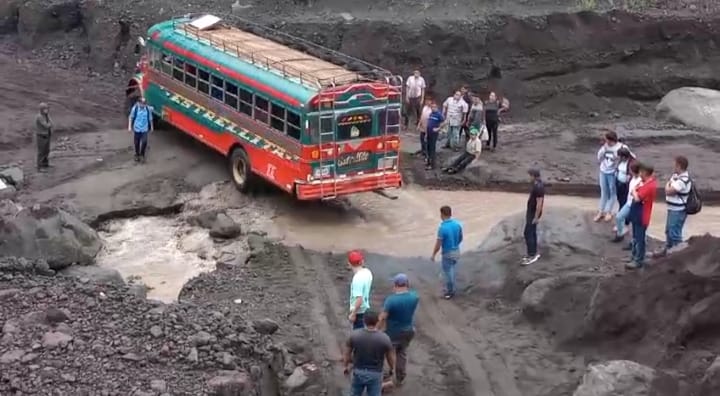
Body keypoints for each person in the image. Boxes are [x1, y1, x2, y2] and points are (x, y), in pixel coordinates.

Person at [378, 273, 419, 387]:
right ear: (407, 284)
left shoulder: (391, 300)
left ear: (395, 285)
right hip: (408, 331)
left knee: (387, 352)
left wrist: (376, 329)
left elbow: (383, 317)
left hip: (393, 332)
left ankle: (388, 372)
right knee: (402, 353)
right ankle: (400, 377)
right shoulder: (414, 297)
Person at [343, 310, 396, 396]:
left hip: (358, 372)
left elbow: (347, 354)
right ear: (377, 321)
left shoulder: (354, 335)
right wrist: (391, 368)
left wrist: (345, 366)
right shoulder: (384, 338)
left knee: (355, 393)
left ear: (364, 320)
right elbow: (390, 357)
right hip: (376, 374)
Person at [656, 155, 692, 257]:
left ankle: (678, 255)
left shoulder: (683, 180)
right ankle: (667, 250)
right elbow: (669, 187)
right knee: (668, 231)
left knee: (675, 233)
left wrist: (668, 185)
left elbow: (668, 191)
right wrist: (669, 184)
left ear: (679, 166)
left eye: (675, 164)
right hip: (672, 209)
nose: (673, 166)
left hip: (678, 210)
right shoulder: (676, 176)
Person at [595, 131, 631, 222]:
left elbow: (630, 157)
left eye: (606, 140)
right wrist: (603, 150)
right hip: (603, 171)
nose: (605, 142)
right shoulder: (604, 147)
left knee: (612, 192)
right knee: (604, 191)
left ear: (611, 140)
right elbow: (599, 158)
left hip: (613, 172)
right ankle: (601, 211)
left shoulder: (622, 147)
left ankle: (609, 211)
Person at [626, 163, 657, 269]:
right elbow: (634, 194)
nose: (639, 174)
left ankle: (638, 260)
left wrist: (634, 191)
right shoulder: (644, 183)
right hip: (637, 213)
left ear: (645, 172)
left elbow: (637, 197)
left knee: (640, 238)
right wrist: (635, 192)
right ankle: (634, 256)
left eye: (641, 172)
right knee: (635, 237)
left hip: (642, 215)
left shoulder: (649, 185)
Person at [431, 205, 463, 299]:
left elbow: (438, 244)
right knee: (451, 269)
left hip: (447, 253)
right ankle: (450, 287)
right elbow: (461, 238)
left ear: (442, 214)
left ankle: (450, 292)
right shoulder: (457, 224)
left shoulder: (442, 228)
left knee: (448, 273)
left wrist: (433, 254)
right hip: (457, 251)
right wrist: (455, 245)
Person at [612, 161, 641, 243]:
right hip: (629, 203)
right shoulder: (632, 178)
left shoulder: (640, 181)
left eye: (630, 170)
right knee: (619, 217)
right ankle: (620, 234)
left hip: (635, 205)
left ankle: (634, 242)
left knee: (635, 224)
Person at [522, 168, 545, 265]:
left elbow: (539, 203)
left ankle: (531, 255)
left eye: (529, 176)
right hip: (531, 212)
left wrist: (536, 217)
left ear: (533, 176)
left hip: (533, 213)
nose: (528, 178)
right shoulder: (537, 185)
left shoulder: (538, 187)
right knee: (532, 232)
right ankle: (533, 253)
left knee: (528, 233)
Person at [347, 250, 373, 330]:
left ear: (349, 264)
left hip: (359, 312)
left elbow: (359, 299)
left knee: (358, 335)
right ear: (362, 262)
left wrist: (353, 314)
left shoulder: (357, 279)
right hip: (365, 308)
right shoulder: (368, 272)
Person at [128, 97, 154, 163]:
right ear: (138, 103)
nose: (143, 105)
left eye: (144, 103)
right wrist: (129, 127)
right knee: (137, 143)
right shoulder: (135, 109)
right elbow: (131, 117)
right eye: (142, 103)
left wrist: (151, 127)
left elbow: (150, 118)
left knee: (144, 142)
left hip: (144, 129)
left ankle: (142, 154)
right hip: (137, 129)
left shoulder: (148, 109)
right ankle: (137, 154)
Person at [425, 102, 446, 170]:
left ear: (437, 108)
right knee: (428, 148)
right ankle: (428, 162)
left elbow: (444, 122)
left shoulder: (439, 115)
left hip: (434, 134)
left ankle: (432, 164)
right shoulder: (431, 114)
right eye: (432, 107)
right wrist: (426, 133)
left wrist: (438, 129)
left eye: (434, 107)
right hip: (429, 132)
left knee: (432, 149)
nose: (433, 108)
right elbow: (428, 123)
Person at [35, 102, 53, 171]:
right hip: (41, 136)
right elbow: (47, 125)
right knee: (41, 152)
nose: (47, 110)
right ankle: (39, 167)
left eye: (47, 109)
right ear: (41, 109)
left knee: (46, 151)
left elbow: (51, 123)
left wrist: (48, 117)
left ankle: (45, 163)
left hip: (47, 135)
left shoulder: (46, 116)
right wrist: (50, 123)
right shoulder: (39, 116)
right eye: (45, 109)